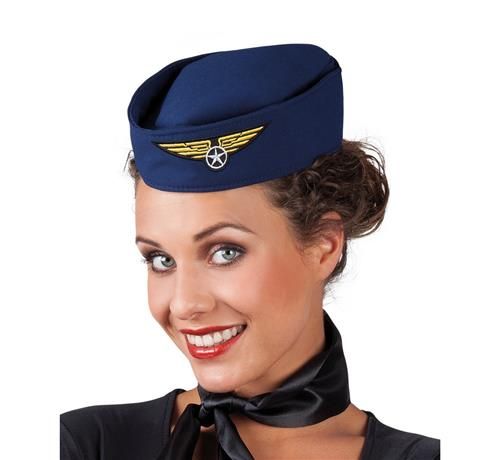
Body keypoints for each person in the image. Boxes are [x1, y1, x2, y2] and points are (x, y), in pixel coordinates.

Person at [60, 43, 440, 460]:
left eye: (224, 252)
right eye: (161, 260)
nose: (185, 304)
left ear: (324, 245)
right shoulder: (85, 444)